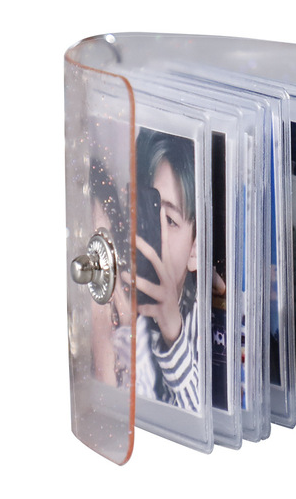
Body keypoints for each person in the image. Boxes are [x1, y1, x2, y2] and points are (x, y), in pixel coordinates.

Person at [120, 128, 200, 412]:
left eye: (170, 219)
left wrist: (173, 333)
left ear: (195, 249)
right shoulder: (119, 294)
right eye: (146, 208)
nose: (154, 232)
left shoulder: (205, 321)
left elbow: (207, 422)